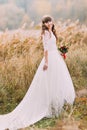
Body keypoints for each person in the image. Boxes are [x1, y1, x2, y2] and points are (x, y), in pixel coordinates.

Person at [0, 15, 75, 130]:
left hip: (56, 57)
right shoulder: (45, 33)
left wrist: (60, 52)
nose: (49, 23)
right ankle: (49, 107)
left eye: (50, 21)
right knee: (49, 81)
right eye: (46, 22)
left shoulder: (52, 32)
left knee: (57, 80)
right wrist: (46, 62)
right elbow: (46, 48)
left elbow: (52, 46)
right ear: (44, 24)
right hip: (49, 59)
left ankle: (56, 105)